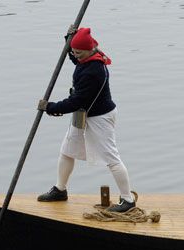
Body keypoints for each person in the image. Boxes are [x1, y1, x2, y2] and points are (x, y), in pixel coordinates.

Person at [37, 27, 135, 213]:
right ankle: (60, 190)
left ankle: (128, 199)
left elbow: (77, 100)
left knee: (111, 158)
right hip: (83, 114)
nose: (76, 56)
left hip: (100, 117)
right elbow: (74, 55)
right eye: (74, 51)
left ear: (90, 50)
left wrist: (51, 107)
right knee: (67, 151)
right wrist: (69, 37)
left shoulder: (94, 71)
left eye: (79, 53)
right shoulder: (86, 57)